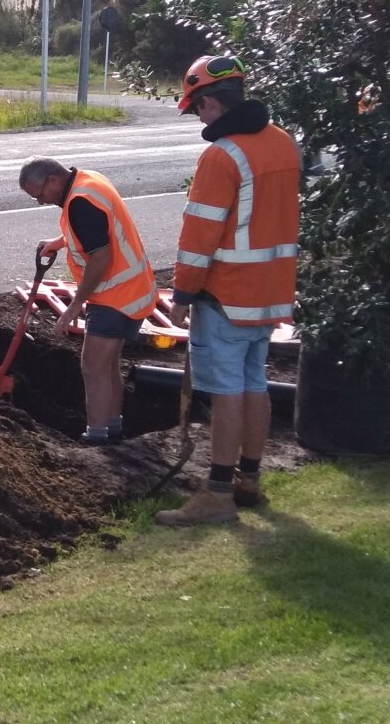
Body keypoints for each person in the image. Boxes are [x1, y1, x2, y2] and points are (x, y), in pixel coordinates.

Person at [155, 55, 301, 526]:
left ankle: (217, 494)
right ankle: (249, 481)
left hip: (226, 294)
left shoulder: (221, 156)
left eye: (197, 109)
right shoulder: (282, 143)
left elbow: (199, 238)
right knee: (255, 383)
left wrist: (182, 294)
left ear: (212, 102)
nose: (199, 118)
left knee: (225, 392)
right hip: (271, 290)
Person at [19, 157, 158, 444]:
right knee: (107, 365)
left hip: (114, 295)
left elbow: (101, 258)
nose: (42, 202)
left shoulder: (81, 202)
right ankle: (114, 427)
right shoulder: (86, 181)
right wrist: (59, 242)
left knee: (92, 366)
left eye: (40, 195)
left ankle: (96, 438)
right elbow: (92, 233)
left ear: (53, 180)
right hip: (133, 289)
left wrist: (74, 306)